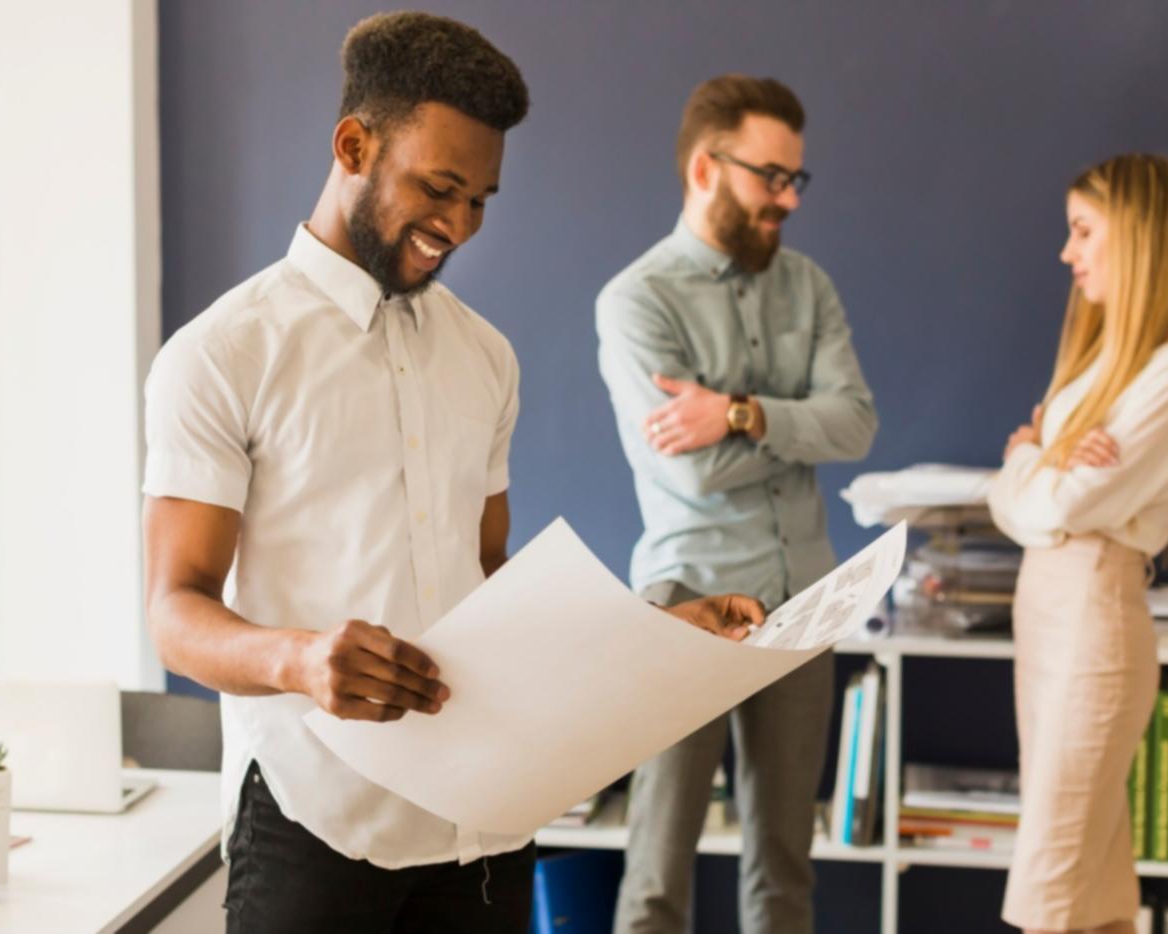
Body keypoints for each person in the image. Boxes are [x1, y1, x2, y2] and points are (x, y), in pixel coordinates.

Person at [141, 13, 763, 934]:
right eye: (439, 188)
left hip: (482, 827)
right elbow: (174, 610)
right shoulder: (223, 355)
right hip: (313, 823)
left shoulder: (486, 358)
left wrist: (656, 634)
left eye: (481, 198)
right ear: (354, 144)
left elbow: (490, 595)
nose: (461, 226)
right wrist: (299, 658)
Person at [597, 74, 878, 934]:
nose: (787, 199)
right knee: (657, 872)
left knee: (786, 870)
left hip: (805, 599)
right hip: (687, 604)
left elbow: (858, 425)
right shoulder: (636, 300)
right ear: (704, 169)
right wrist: (797, 431)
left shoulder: (811, 287)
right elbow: (693, 477)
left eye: (797, 180)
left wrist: (737, 413)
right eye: (771, 177)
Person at [987, 153, 1168, 934]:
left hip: (1095, 628)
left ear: (1139, 237)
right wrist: (1035, 463)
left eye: (1084, 231)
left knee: (1049, 889)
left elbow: (1067, 499)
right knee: (1093, 891)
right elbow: (1023, 503)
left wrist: (1029, 456)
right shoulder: (1093, 368)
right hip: (1048, 619)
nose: (1067, 252)